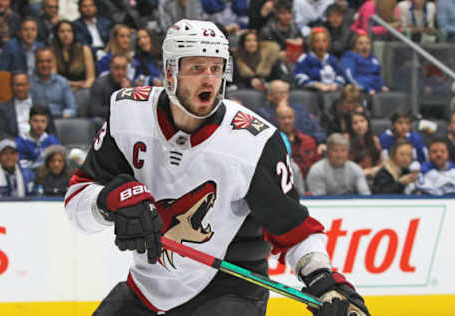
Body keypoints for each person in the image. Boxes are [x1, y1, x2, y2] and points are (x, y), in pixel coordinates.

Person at [64, 19, 370, 316]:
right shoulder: (128, 114)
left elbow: (294, 230)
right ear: (170, 72)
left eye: (216, 68)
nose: (209, 79)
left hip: (231, 290)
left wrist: (324, 282)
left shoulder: (255, 142)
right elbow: (77, 204)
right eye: (196, 68)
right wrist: (107, 202)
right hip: (148, 289)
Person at [257, 80, 327, 148]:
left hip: (304, 146)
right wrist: (280, 110)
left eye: (286, 92)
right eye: (280, 93)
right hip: (279, 148)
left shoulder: (300, 109)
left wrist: (321, 142)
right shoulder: (263, 113)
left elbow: (315, 126)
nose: (284, 95)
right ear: (270, 96)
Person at [307, 133, 371, 195]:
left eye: (343, 150)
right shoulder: (317, 170)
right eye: (335, 151)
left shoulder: (356, 169)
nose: (339, 155)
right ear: (328, 152)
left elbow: (365, 195)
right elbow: (318, 200)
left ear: (348, 152)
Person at [0, 71, 57, 138]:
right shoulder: (2, 108)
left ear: (29, 85)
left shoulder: (42, 105)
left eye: (23, 85)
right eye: (17, 85)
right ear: (11, 86)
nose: (21, 88)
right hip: (14, 144)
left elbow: (52, 131)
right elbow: (1, 133)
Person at [292, 27, 345, 91]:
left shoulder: (332, 59)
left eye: (324, 41)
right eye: (317, 41)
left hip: (331, 94)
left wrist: (336, 84)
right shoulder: (305, 59)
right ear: (312, 43)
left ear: (328, 43)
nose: (321, 44)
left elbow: (341, 76)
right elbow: (299, 77)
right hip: (311, 95)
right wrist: (314, 85)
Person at [88, 54, 133, 130]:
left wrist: (127, 93)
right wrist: (118, 110)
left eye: (124, 68)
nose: (120, 72)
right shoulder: (99, 84)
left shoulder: (131, 85)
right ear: (110, 68)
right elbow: (95, 110)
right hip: (105, 121)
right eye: (116, 68)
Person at [276, 104, 321, 179]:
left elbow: (318, 164)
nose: (287, 121)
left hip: (311, 181)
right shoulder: (274, 143)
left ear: (294, 119)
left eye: (289, 117)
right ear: (277, 120)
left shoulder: (309, 141)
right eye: (283, 118)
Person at [30, 47, 77, 118]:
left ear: (53, 62)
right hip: (38, 122)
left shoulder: (62, 82)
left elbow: (72, 108)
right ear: (36, 63)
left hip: (60, 120)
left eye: (48, 61)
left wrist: (64, 115)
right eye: (41, 61)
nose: (45, 65)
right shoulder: (29, 83)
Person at [51, 20, 95, 91]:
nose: (66, 34)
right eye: (62, 31)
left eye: (69, 31)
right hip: (60, 89)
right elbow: (53, 78)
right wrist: (75, 84)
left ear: (74, 33)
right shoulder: (53, 51)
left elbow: (91, 78)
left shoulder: (84, 50)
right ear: (57, 34)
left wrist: (81, 86)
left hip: (82, 89)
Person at [15, 104, 61, 170]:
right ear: (29, 122)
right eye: (35, 121)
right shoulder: (20, 142)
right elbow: (21, 166)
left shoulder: (52, 141)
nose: (39, 125)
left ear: (47, 123)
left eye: (43, 121)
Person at [347, 111, 381, 180]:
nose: (359, 125)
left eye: (362, 121)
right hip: (354, 178)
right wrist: (364, 173)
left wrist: (375, 170)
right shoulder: (346, 140)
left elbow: (380, 163)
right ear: (351, 126)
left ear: (367, 122)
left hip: (373, 176)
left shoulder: (375, 140)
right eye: (355, 123)